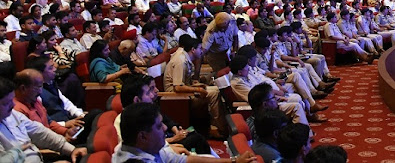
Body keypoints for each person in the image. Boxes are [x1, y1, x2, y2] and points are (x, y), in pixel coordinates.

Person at [113, 102, 258, 163]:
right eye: (158, 126)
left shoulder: (147, 147)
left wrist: (233, 161)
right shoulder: (132, 160)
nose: (165, 128)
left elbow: (186, 160)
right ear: (142, 136)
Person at [0, 76, 88, 163]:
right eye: (6, 103)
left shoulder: (12, 114)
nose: (12, 105)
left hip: (39, 158)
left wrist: (71, 150)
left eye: (11, 100)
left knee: (85, 154)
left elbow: (40, 132)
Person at [164, 35, 230, 137]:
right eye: (200, 48)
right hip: (175, 96)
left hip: (183, 91)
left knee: (217, 88)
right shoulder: (180, 61)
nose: (201, 51)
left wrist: (198, 86)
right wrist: (198, 89)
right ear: (193, 50)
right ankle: (222, 129)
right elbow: (177, 87)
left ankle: (221, 123)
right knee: (213, 93)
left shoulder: (185, 57)